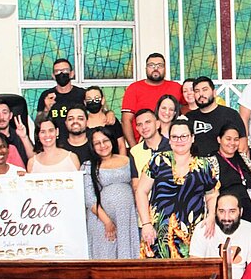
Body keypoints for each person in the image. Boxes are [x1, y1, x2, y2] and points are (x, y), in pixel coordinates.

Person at [135, 119, 219, 259]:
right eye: (174, 137)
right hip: (157, 234)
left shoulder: (204, 166)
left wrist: (211, 216)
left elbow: (212, 194)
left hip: (192, 236)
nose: (179, 140)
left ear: (192, 138)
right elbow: (141, 191)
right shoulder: (157, 161)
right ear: (169, 139)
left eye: (184, 136)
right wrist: (146, 224)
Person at [81, 127, 139, 259]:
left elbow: (136, 186)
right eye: (97, 143)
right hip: (101, 221)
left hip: (127, 219)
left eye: (105, 140)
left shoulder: (127, 159)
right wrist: (107, 222)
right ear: (92, 147)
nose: (102, 145)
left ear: (112, 141)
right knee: (106, 256)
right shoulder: (88, 166)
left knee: (126, 256)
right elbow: (89, 198)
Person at [190, 193, 251, 279]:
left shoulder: (250, 230)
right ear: (215, 212)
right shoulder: (203, 229)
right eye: (221, 211)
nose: (226, 217)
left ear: (240, 212)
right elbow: (195, 268)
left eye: (232, 211)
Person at [121, 53, 183, 146]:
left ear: (165, 69)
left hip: (173, 144)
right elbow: (126, 120)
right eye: (151, 65)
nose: (155, 69)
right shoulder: (134, 88)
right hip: (143, 144)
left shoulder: (176, 87)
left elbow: (190, 106)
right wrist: (134, 148)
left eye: (160, 65)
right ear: (146, 68)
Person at [186, 76, 248, 156]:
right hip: (196, 162)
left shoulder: (231, 115)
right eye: (197, 91)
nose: (201, 94)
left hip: (225, 162)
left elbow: (242, 146)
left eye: (205, 90)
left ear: (214, 92)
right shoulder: (189, 118)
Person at [213, 124, 251, 225]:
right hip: (228, 218)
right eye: (228, 139)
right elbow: (211, 193)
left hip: (250, 214)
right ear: (219, 139)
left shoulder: (243, 157)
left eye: (236, 139)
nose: (232, 143)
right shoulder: (211, 161)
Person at [36, 57, 86, 129]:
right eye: (57, 71)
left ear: (72, 74)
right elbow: (38, 124)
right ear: (53, 76)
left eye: (65, 70)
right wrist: (46, 109)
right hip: (54, 135)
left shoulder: (82, 94)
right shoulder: (46, 95)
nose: (61, 74)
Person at [129, 109, 170, 186]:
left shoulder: (173, 145)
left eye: (148, 122)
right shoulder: (135, 151)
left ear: (157, 124)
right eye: (139, 124)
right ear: (137, 128)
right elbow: (135, 183)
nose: (144, 127)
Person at [0, 97, 33, 165]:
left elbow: (34, 160)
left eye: (5, 113)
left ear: (10, 115)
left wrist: (24, 137)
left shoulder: (19, 135)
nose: (1, 117)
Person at [84, 86, 126, 156]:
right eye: (89, 99)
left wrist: (123, 161)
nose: (93, 102)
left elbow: (121, 145)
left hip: (113, 161)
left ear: (103, 100)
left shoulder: (112, 121)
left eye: (97, 99)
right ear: (85, 102)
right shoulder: (82, 123)